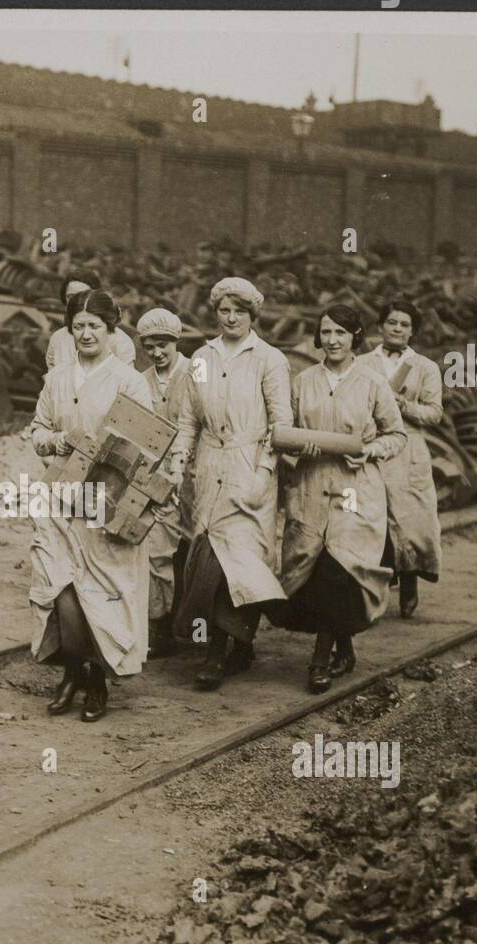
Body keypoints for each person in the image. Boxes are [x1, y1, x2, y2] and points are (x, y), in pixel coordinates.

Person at [267, 305, 406, 694]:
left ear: (355, 337)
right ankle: (343, 645)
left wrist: (370, 450)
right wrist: (296, 449)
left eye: (341, 333)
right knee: (311, 564)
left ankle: (319, 661)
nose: (332, 340)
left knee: (339, 564)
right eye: (326, 332)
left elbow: (396, 435)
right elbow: (285, 432)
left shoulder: (372, 382)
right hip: (311, 483)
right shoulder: (304, 380)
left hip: (354, 486)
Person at [29, 289, 153, 722]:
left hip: (106, 499)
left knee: (99, 591)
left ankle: (97, 680)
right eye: (78, 326)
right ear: (69, 330)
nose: (85, 333)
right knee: (61, 586)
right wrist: (57, 440)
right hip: (60, 496)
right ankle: (70, 673)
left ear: (110, 329)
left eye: (94, 326)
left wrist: (109, 452)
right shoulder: (57, 379)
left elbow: (146, 443)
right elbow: (38, 429)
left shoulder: (128, 380)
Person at [170, 277, 293, 690]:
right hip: (209, 466)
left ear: (252, 315)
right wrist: (177, 464)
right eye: (225, 310)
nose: (231, 318)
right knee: (206, 559)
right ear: (215, 312)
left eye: (240, 311)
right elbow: (188, 419)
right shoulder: (200, 358)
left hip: (249, 465)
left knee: (238, 562)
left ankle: (219, 654)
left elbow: (282, 426)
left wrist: (262, 473)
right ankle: (230, 646)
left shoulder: (269, 359)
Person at [355, 300, 442, 617]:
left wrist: (404, 405)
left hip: (409, 449)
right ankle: (371, 589)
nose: (397, 328)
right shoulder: (362, 363)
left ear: (413, 331)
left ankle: (409, 579)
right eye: (391, 322)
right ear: (380, 326)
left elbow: (434, 413)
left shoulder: (425, 368)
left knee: (411, 519)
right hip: (374, 445)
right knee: (371, 517)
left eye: (404, 324)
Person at [136, 307, 194, 657]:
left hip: (197, 472)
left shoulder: (194, 373)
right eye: (150, 347)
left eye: (163, 346)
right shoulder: (140, 380)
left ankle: (194, 624)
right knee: (157, 547)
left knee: (195, 549)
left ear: (176, 342)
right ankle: (160, 626)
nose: (157, 353)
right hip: (157, 476)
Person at [44, 270, 137, 371]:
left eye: (83, 295)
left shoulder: (119, 341)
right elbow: (51, 381)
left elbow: (128, 383)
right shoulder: (58, 339)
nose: (76, 302)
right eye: (70, 297)